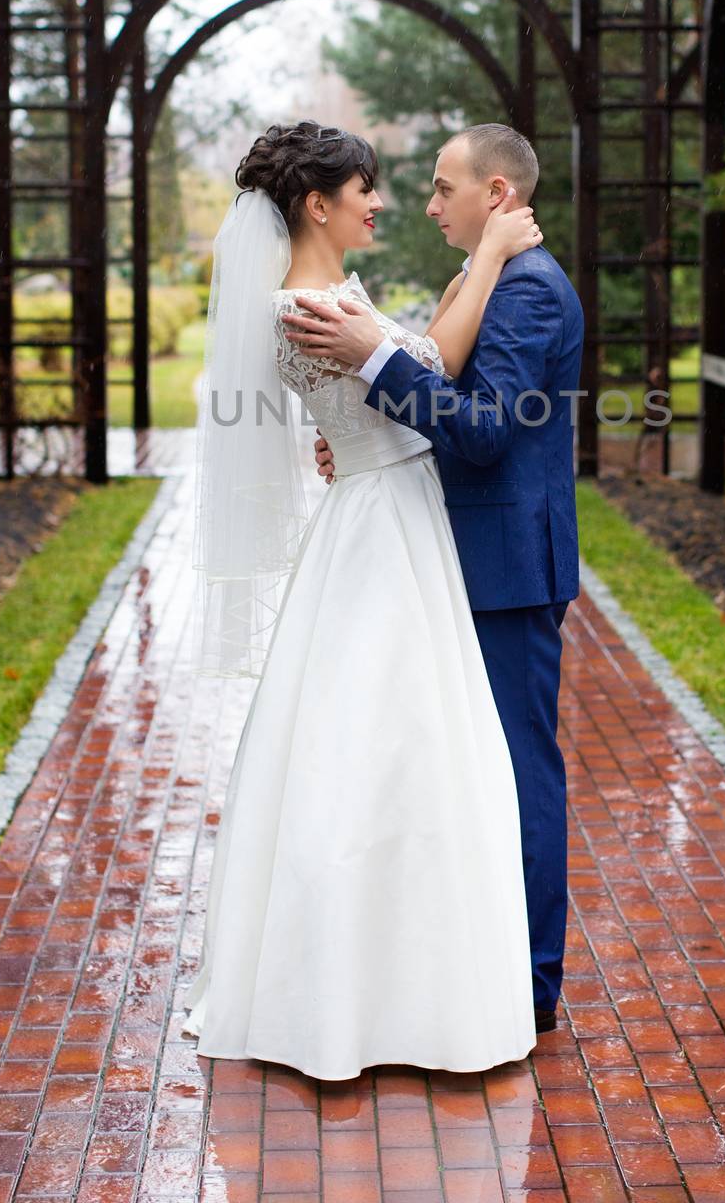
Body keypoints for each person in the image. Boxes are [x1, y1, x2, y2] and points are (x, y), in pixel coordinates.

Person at [183, 118, 544, 1080]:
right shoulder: (303, 307)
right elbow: (431, 365)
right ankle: (352, 997)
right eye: (365, 189)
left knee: (409, 745)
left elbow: (411, 362)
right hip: (381, 524)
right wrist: (492, 256)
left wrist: (480, 264)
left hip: (389, 507)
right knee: (379, 749)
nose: (380, 203)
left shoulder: (329, 295)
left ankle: (405, 982)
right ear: (317, 203)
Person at [282, 123, 585, 1034]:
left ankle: (530, 986)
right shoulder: (483, 280)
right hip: (459, 553)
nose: (426, 203)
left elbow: (488, 429)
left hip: (505, 570)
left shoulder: (527, 290)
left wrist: (369, 366)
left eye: (444, 186)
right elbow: (449, 400)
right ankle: (473, 964)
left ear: (495, 194)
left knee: (520, 773)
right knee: (468, 770)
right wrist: (368, 436)